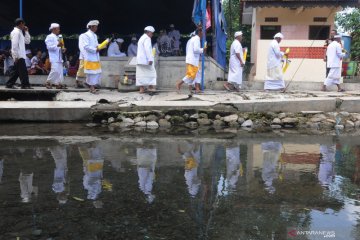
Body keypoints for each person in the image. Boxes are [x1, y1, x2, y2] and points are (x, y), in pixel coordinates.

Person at [176, 29, 205, 94]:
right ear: (199, 32)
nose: (203, 34)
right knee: (191, 75)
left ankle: (197, 88)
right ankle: (179, 83)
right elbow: (196, 50)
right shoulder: (196, 39)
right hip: (193, 60)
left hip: (192, 59)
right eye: (202, 32)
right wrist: (203, 49)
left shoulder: (191, 40)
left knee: (198, 73)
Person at [6, 18, 32, 89]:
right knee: (23, 71)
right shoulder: (16, 32)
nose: (24, 25)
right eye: (24, 24)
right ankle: (25, 85)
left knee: (16, 71)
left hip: (21, 55)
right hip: (19, 55)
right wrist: (15, 56)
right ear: (21, 23)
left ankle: (9, 84)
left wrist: (26, 32)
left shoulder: (20, 32)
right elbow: (14, 45)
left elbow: (27, 41)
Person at [80, 20, 104, 94]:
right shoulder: (85, 35)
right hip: (90, 57)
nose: (96, 28)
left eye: (96, 26)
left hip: (95, 57)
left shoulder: (94, 35)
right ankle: (92, 87)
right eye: (95, 26)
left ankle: (91, 86)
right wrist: (95, 49)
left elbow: (96, 45)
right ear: (91, 27)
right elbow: (86, 46)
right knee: (92, 73)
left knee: (97, 73)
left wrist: (102, 45)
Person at [45, 23, 67, 89]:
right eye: (58, 29)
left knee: (60, 71)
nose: (59, 30)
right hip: (54, 57)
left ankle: (58, 84)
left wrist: (63, 49)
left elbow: (60, 46)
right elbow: (48, 47)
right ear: (54, 29)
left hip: (59, 57)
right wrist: (57, 45)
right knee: (55, 70)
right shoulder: (49, 37)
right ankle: (48, 82)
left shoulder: (59, 37)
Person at [136, 26, 157, 94]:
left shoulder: (142, 38)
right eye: (152, 33)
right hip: (145, 60)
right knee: (152, 72)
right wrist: (150, 59)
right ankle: (150, 87)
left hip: (140, 60)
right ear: (149, 32)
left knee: (141, 74)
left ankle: (141, 89)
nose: (152, 35)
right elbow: (147, 50)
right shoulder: (147, 38)